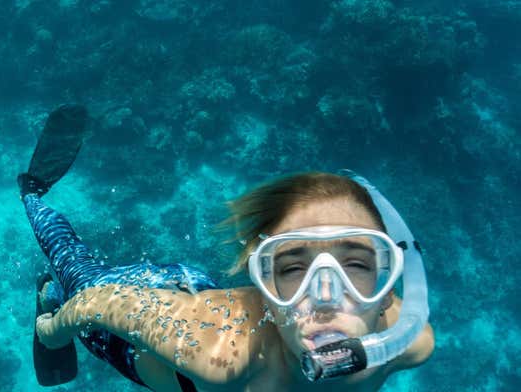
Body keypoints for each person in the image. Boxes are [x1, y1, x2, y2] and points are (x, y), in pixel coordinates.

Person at [21, 105, 434, 391]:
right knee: (77, 273)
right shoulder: (221, 355)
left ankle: (49, 294)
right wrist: (53, 334)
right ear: (264, 291)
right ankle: (33, 195)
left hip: (199, 291)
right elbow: (99, 303)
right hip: (148, 320)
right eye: (293, 269)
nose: (326, 297)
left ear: (387, 295)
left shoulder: (409, 341)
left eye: (356, 265)